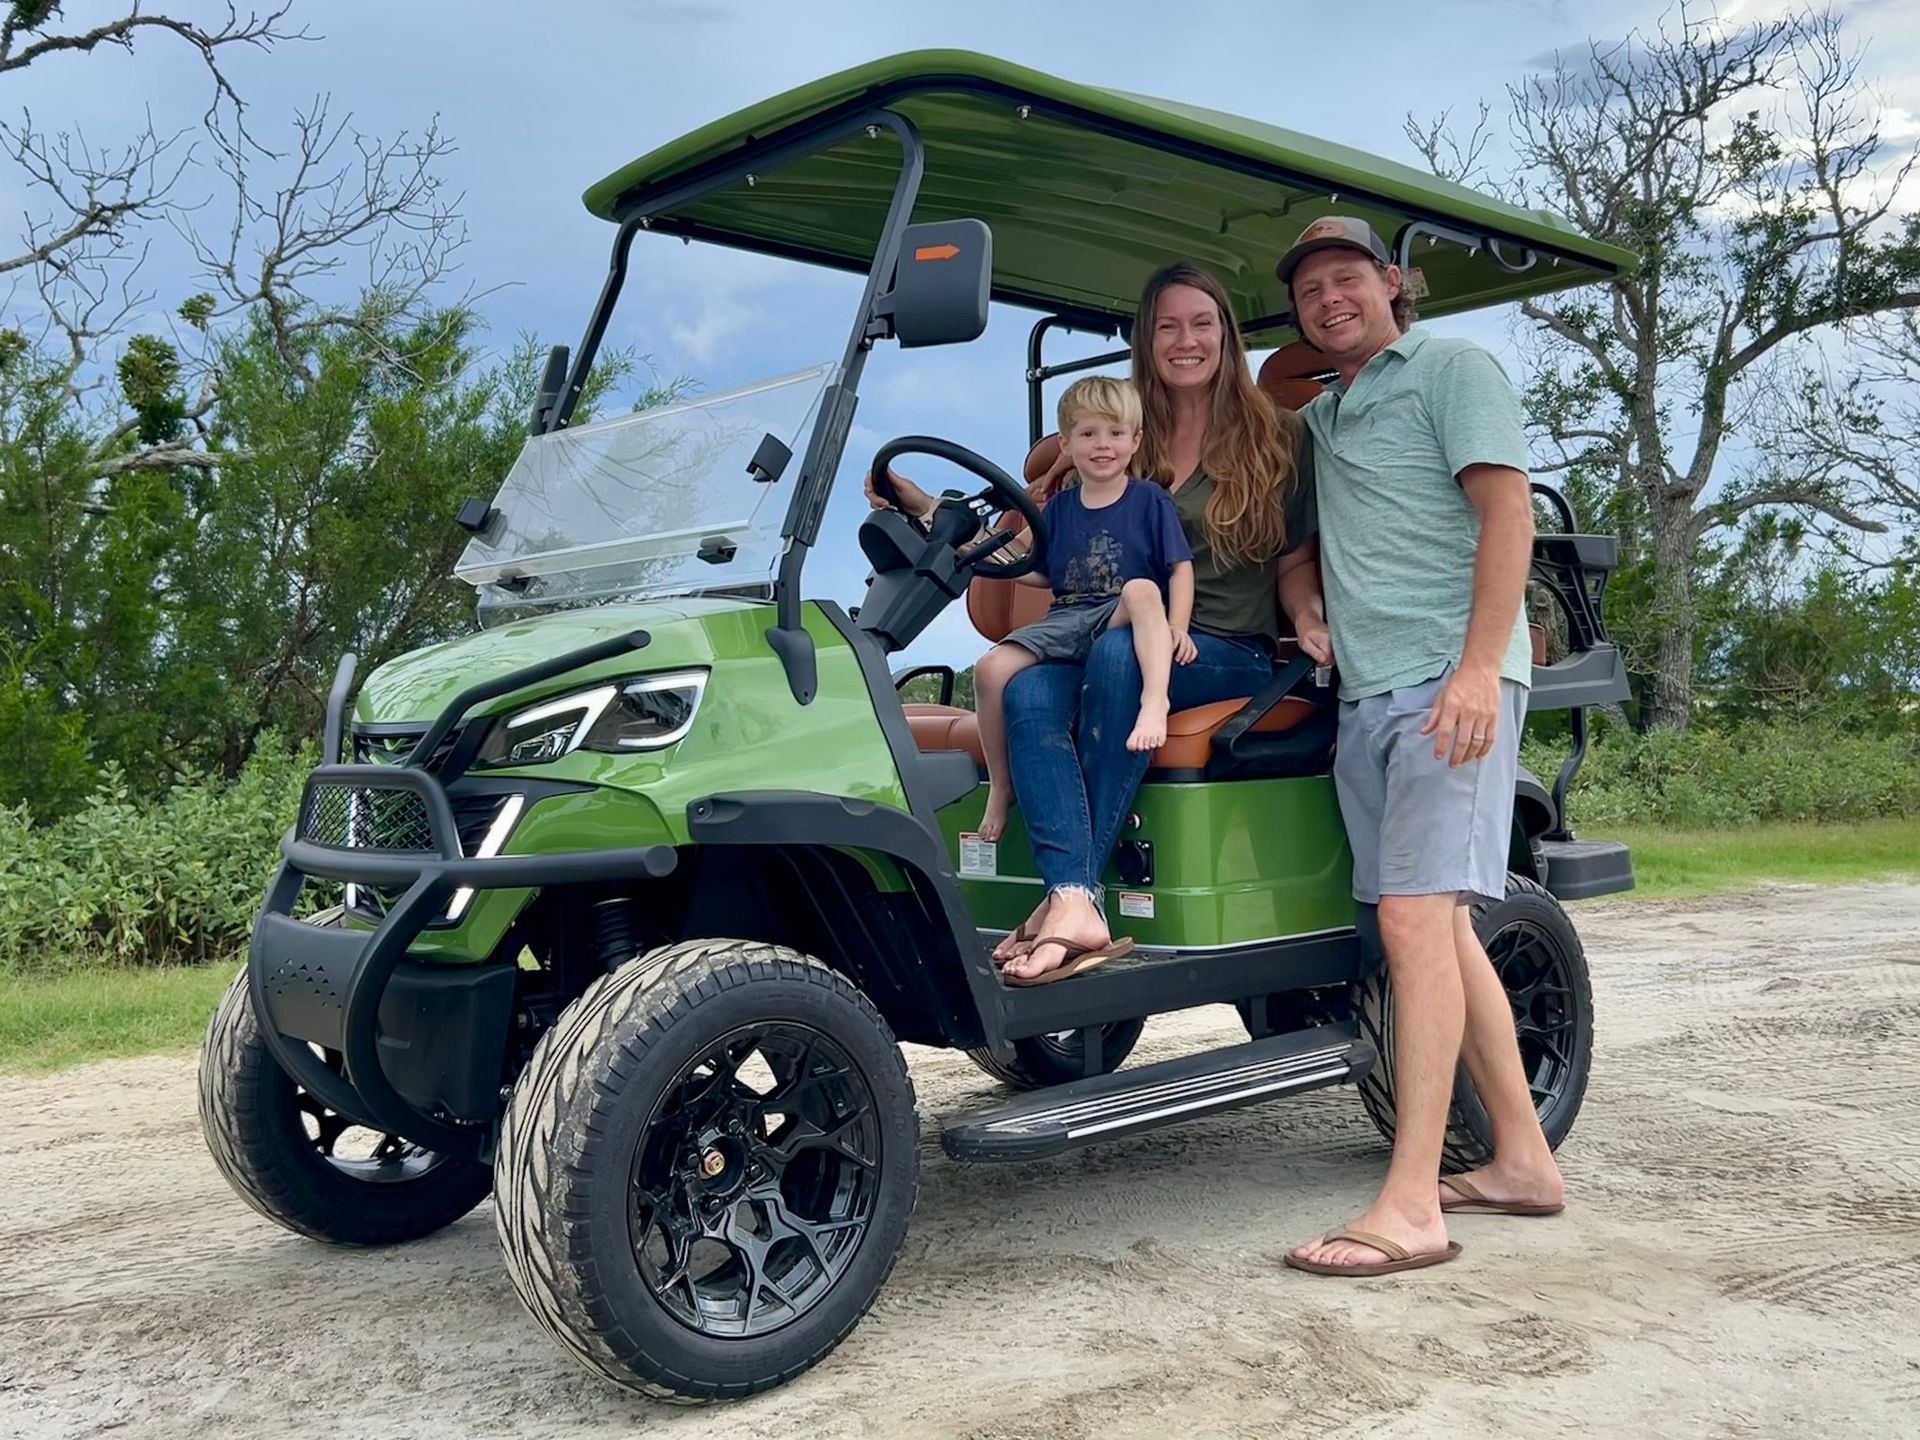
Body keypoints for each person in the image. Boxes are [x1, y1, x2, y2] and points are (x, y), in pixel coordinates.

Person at [868, 262, 1324, 985]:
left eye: (1202, 323)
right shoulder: (1107, 438)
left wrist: (1308, 617)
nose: (1185, 340)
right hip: (1101, 632)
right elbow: (1044, 554)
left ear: (1226, 335)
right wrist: (928, 509)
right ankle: (1075, 897)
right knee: (1027, 691)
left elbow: (1296, 560)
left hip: (1220, 649)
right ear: (1146, 339)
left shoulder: (1279, 437)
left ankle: (1066, 899)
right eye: (1167, 326)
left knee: (1117, 659)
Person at [1270, 217, 1563, 1278]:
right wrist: (1306, 606)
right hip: (1369, 694)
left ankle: (1411, 1205)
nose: (1329, 298)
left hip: (1451, 683)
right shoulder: (1324, 417)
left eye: (1347, 277)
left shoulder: (1452, 367)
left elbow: (1506, 515)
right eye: (1310, 289)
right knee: (1443, 929)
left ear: (1395, 285)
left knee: (1412, 916)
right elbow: (1300, 552)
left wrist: (1483, 669)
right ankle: (1524, 1162)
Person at [973, 377, 1195, 881]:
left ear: (1135, 441)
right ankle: (1001, 785)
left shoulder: (1149, 500)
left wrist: (1177, 626)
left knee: (1143, 588)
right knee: (991, 669)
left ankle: (1153, 702)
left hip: (1122, 609)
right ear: (1067, 444)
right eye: (1089, 434)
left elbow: (1179, 568)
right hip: (1067, 616)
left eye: (1115, 434)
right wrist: (974, 551)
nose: (1103, 446)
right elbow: (1033, 567)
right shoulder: (1059, 509)